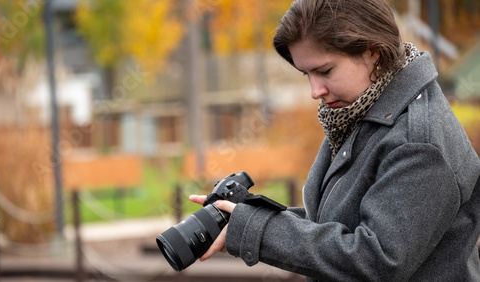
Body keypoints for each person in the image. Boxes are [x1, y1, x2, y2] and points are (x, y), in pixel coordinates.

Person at [190, 0, 480, 280]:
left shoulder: (418, 143)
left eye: (325, 71)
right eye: (307, 74)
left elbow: (376, 260)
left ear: (373, 52)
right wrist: (246, 215)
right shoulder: (360, 112)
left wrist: (259, 230)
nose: (315, 90)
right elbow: (337, 224)